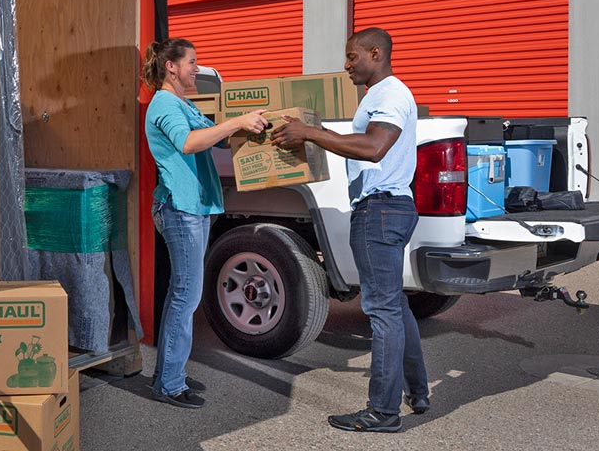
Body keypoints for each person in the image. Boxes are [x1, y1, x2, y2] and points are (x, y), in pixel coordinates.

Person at [272, 27, 428, 432]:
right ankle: (418, 391)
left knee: (382, 311)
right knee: (395, 306)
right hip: (386, 208)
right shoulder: (378, 95)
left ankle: (383, 411)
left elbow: (374, 147)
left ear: (375, 53)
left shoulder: (391, 93)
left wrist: (309, 133)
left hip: (379, 211)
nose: (346, 66)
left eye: (352, 57)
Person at [143, 38, 269, 409]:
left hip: (196, 207)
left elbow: (217, 141)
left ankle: (170, 372)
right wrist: (235, 122)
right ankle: (168, 382)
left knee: (184, 295)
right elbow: (188, 143)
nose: (197, 68)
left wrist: (250, 126)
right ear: (171, 67)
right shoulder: (164, 103)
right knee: (186, 295)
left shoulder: (183, 103)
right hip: (180, 209)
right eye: (192, 62)